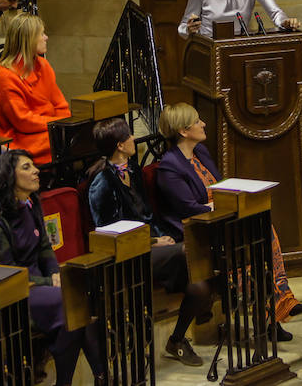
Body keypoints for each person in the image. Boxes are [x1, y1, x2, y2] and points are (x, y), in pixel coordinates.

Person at [156, 103, 302, 340]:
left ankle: (276, 310)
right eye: (197, 121)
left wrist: (229, 199)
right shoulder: (169, 167)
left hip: (222, 219)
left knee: (262, 231)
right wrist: (221, 204)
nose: (203, 124)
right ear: (184, 131)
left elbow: (219, 187)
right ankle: (276, 310)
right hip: (200, 229)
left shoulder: (201, 153)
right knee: (249, 243)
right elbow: (188, 208)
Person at [87, 118, 212, 367]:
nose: (135, 139)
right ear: (120, 145)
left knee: (201, 286)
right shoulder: (101, 183)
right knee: (191, 251)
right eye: (130, 137)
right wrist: (153, 241)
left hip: (151, 247)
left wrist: (160, 236)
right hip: (125, 256)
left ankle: (176, 340)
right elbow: (109, 233)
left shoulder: (132, 170)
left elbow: (147, 215)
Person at [0, 150, 104, 386]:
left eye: (33, 166)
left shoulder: (31, 204)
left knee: (81, 301)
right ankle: (97, 378)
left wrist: (56, 274)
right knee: (72, 304)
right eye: (26, 167)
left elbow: (45, 248)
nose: (35, 171)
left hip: (41, 287)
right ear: (7, 176)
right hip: (12, 295)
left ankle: (98, 377)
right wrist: (49, 283)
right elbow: (8, 271)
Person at [0, 13, 70, 165]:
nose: (46, 37)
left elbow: (61, 105)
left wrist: (62, 124)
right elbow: (23, 121)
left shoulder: (43, 65)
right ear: (29, 39)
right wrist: (57, 125)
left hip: (48, 129)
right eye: (41, 34)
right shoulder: (5, 75)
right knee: (61, 141)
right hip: (20, 136)